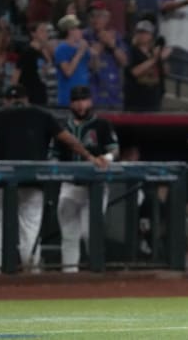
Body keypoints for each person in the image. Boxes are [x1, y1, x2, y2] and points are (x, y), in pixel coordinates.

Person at [0, 85, 106, 274]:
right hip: (32, 183)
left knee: (0, 229)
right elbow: (68, 139)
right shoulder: (40, 114)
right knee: (30, 230)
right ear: (27, 99)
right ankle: (31, 274)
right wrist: (89, 156)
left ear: (6, 100)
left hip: (3, 183)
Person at [50, 86, 119, 273]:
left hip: (95, 187)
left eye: (84, 100)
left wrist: (108, 158)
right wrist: (55, 165)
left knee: (90, 233)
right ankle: (70, 274)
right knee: (69, 234)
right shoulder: (62, 127)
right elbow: (53, 153)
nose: (80, 105)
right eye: (76, 101)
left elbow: (114, 148)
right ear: (71, 103)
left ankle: (95, 271)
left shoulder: (102, 124)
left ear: (90, 101)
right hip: (70, 185)